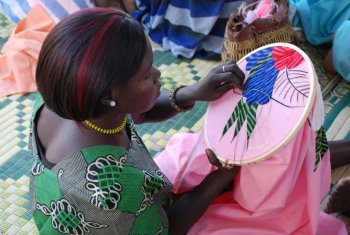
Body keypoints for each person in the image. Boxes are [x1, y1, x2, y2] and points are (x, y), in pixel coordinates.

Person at [29, 7, 245, 234]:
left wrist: (192, 92)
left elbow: (135, 109)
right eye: (146, 75)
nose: (158, 73)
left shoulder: (68, 94)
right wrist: (221, 176)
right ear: (108, 97)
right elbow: (168, 227)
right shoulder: (108, 188)